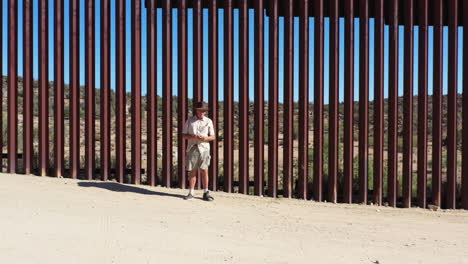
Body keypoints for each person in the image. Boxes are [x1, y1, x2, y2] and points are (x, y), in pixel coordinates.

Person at [181, 101, 216, 201]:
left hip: (204, 149)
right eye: (200, 110)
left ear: (205, 112)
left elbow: (213, 137)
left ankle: (206, 192)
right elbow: (183, 135)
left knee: (204, 170)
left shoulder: (209, 121)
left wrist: (205, 138)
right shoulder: (190, 120)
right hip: (192, 148)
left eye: (203, 111)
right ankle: (191, 192)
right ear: (196, 111)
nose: (201, 112)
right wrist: (193, 136)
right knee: (192, 171)